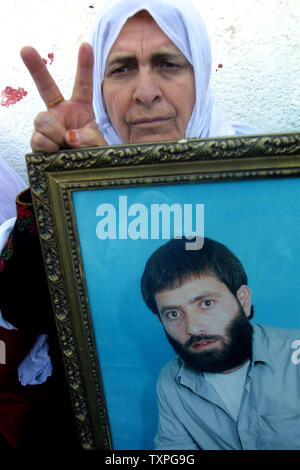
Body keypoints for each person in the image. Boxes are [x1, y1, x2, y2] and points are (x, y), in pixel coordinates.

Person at [0, 0, 258, 450]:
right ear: (101, 89)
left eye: (168, 64)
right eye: (121, 69)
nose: (145, 92)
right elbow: (22, 307)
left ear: (200, 75)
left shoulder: (262, 182)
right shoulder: (76, 169)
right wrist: (70, 189)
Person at [141, 237, 300, 450]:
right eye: (173, 313)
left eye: (206, 303)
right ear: (161, 320)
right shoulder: (171, 381)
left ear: (242, 300)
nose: (194, 329)